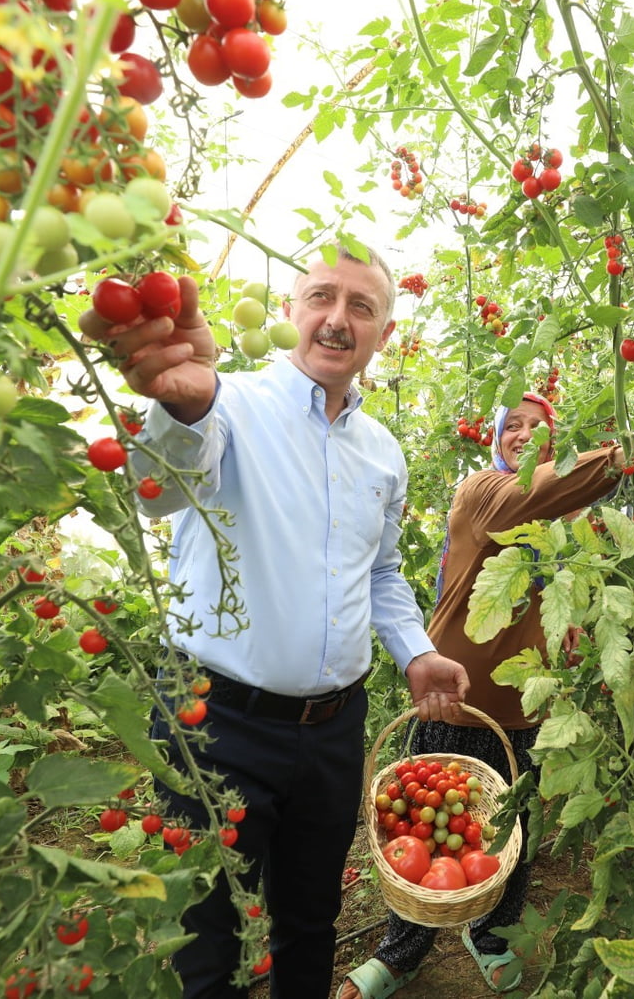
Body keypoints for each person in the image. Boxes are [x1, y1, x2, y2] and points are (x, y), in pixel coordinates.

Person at [78, 243, 471, 999]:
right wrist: (184, 409)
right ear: (292, 311)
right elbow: (159, 493)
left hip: (332, 727)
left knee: (312, 916)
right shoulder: (225, 402)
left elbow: (382, 571)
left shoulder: (383, 454)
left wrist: (415, 650)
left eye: (361, 306)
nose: (336, 317)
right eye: (321, 296)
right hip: (213, 716)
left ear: (384, 334)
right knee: (206, 930)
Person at [337, 393, 634, 999]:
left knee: (511, 834)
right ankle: (402, 952)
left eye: (539, 427)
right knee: (420, 828)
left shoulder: (566, 526)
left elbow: (569, 569)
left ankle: (490, 937)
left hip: (528, 706)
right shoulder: (483, 491)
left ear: (553, 443)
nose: (523, 433)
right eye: (511, 425)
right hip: (450, 700)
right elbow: (539, 491)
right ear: (495, 440)